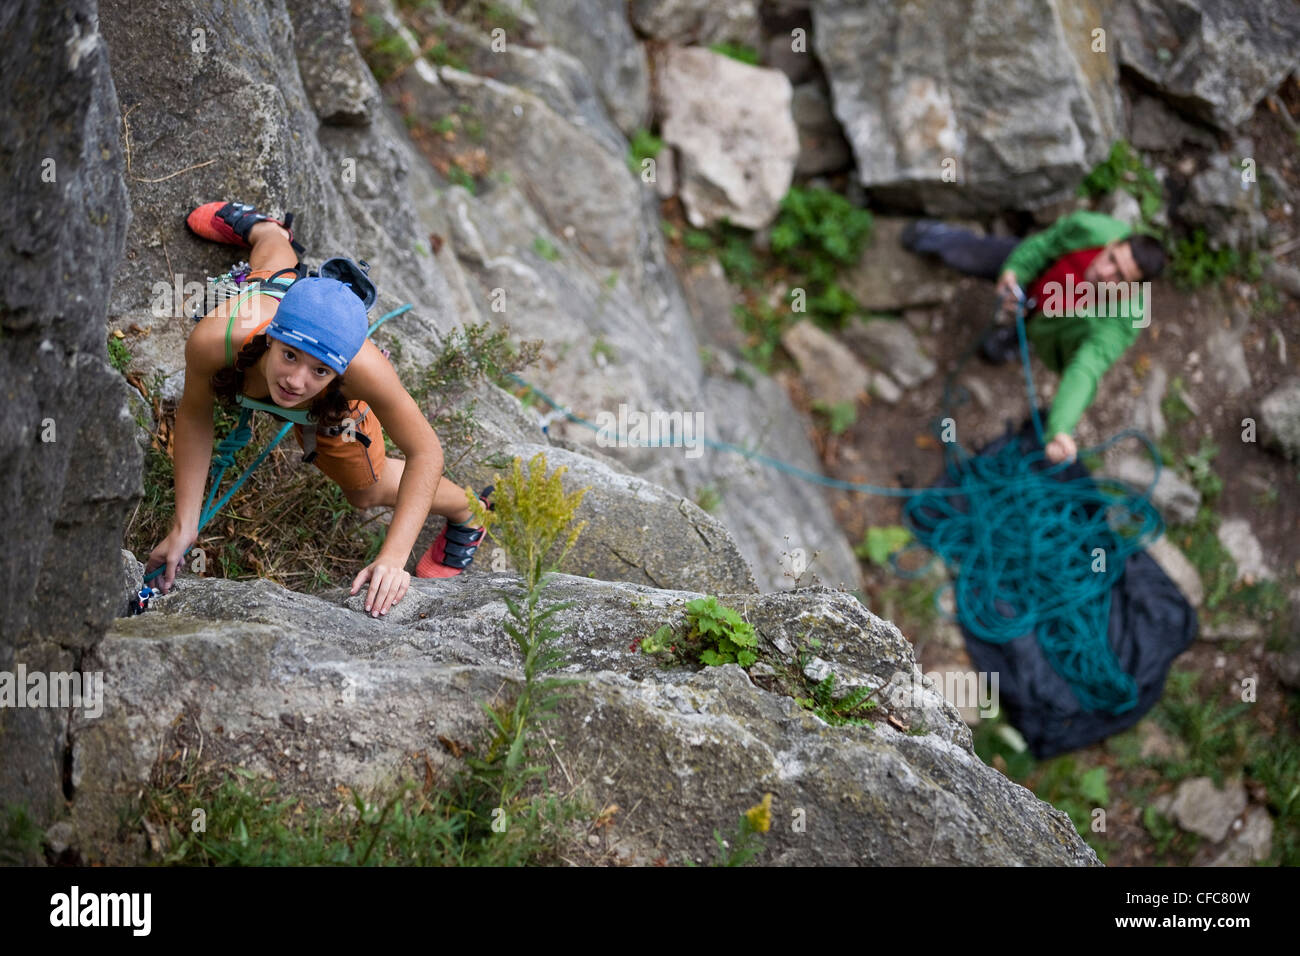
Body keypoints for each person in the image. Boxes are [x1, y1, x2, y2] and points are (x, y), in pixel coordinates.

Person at [145, 201, 491, 618]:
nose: (296, 381)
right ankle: (268, 230)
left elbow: (426, 452)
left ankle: (469, 510)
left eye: (319, 370)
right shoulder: (218, 338)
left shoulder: (365, 374)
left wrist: (393, 557)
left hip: (329, 412)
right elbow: (195, 415)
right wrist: (184, 524)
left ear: (341, 371)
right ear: (272, 337)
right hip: (265, 319)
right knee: (272, 275)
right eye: (290, 356)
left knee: (368, 492)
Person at [902, 210, 1166, 464]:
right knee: (975, 253)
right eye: (1111, 259)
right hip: (1036, 275)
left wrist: (1061, 428)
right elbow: (1045, 244)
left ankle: (1018, 335)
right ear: (1112, 244)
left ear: (1133, 290)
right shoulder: (1091, 230)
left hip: (1050, 321)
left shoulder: (1125, 319)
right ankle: (937, 237)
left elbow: (1087, 368)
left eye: (1119, 277)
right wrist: (1015, 271)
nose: (1104, 272)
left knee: (1022, 335)